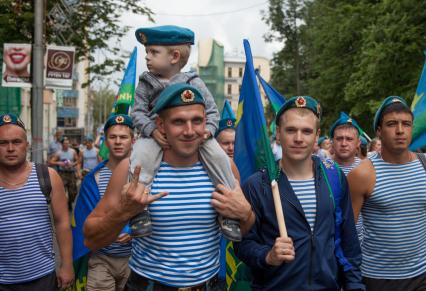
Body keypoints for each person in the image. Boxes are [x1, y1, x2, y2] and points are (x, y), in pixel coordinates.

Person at [83, 84, 255, 290]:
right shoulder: (131, 169)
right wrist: (123, 212)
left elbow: (243, 233)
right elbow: (91, 239)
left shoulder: (225, 169)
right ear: (161, 125)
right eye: (179, 122)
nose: (190, 131)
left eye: (197, 121)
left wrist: (246, 215)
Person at [235, 96, 364, 290]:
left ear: (317, 135)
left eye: (306, 131)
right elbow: (242, 244)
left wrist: (354, 286)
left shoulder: (334, 176)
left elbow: (348, 241)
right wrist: (268, 255)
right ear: (278, 134)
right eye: (290, 130)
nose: (298, 138)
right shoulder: (258, 184)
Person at [130, 25, 240, 241]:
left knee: (219, 158)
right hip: (155, 137)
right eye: (147, 53)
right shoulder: (145, 82)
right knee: (140, 157)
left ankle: (229, 209)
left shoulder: (194, 82)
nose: (148, 58)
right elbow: (138, 112)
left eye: (153, 52)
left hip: (196, 138)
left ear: (175, 56)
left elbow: (211, 111)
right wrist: (152, 130)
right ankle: (139, 209)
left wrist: (207, 132)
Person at [348, 96, 426, 291]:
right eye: (392, 124)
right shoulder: (362, 174)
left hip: (421, 274)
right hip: (378, 278)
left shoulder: (424, 165)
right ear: (379, 131)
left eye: (406, 124)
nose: (400, 130)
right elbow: (346, 231)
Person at [0, 114, 74, 290]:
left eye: (16, 142)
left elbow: (62, 223)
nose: (10, 148)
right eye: (3, 143)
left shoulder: (48, 176)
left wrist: (67, 265)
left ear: (27, 145)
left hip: (43, 278)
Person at [73, 114, 135, 291]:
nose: (118, 142)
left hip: (135, 260)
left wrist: (132, 231)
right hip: (101, 260)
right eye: (112, 137)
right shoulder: (93, 179)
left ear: (132, 140)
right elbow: (83, 224)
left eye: (123, 137)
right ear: (105, 142)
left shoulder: (145, 174)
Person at [49, 137, 81, 210]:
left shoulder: (73, 151)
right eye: (65, 143)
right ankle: (63, 205)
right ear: (62, 144)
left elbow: (78, 160)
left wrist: (73, 164)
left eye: (67, 143)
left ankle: (70, 201)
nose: (66, 144)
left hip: (71, 173)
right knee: (62, 191)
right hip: (62, 173)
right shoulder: (59, 153)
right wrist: (59, 163)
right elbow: (51, 162)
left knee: (73, 191)